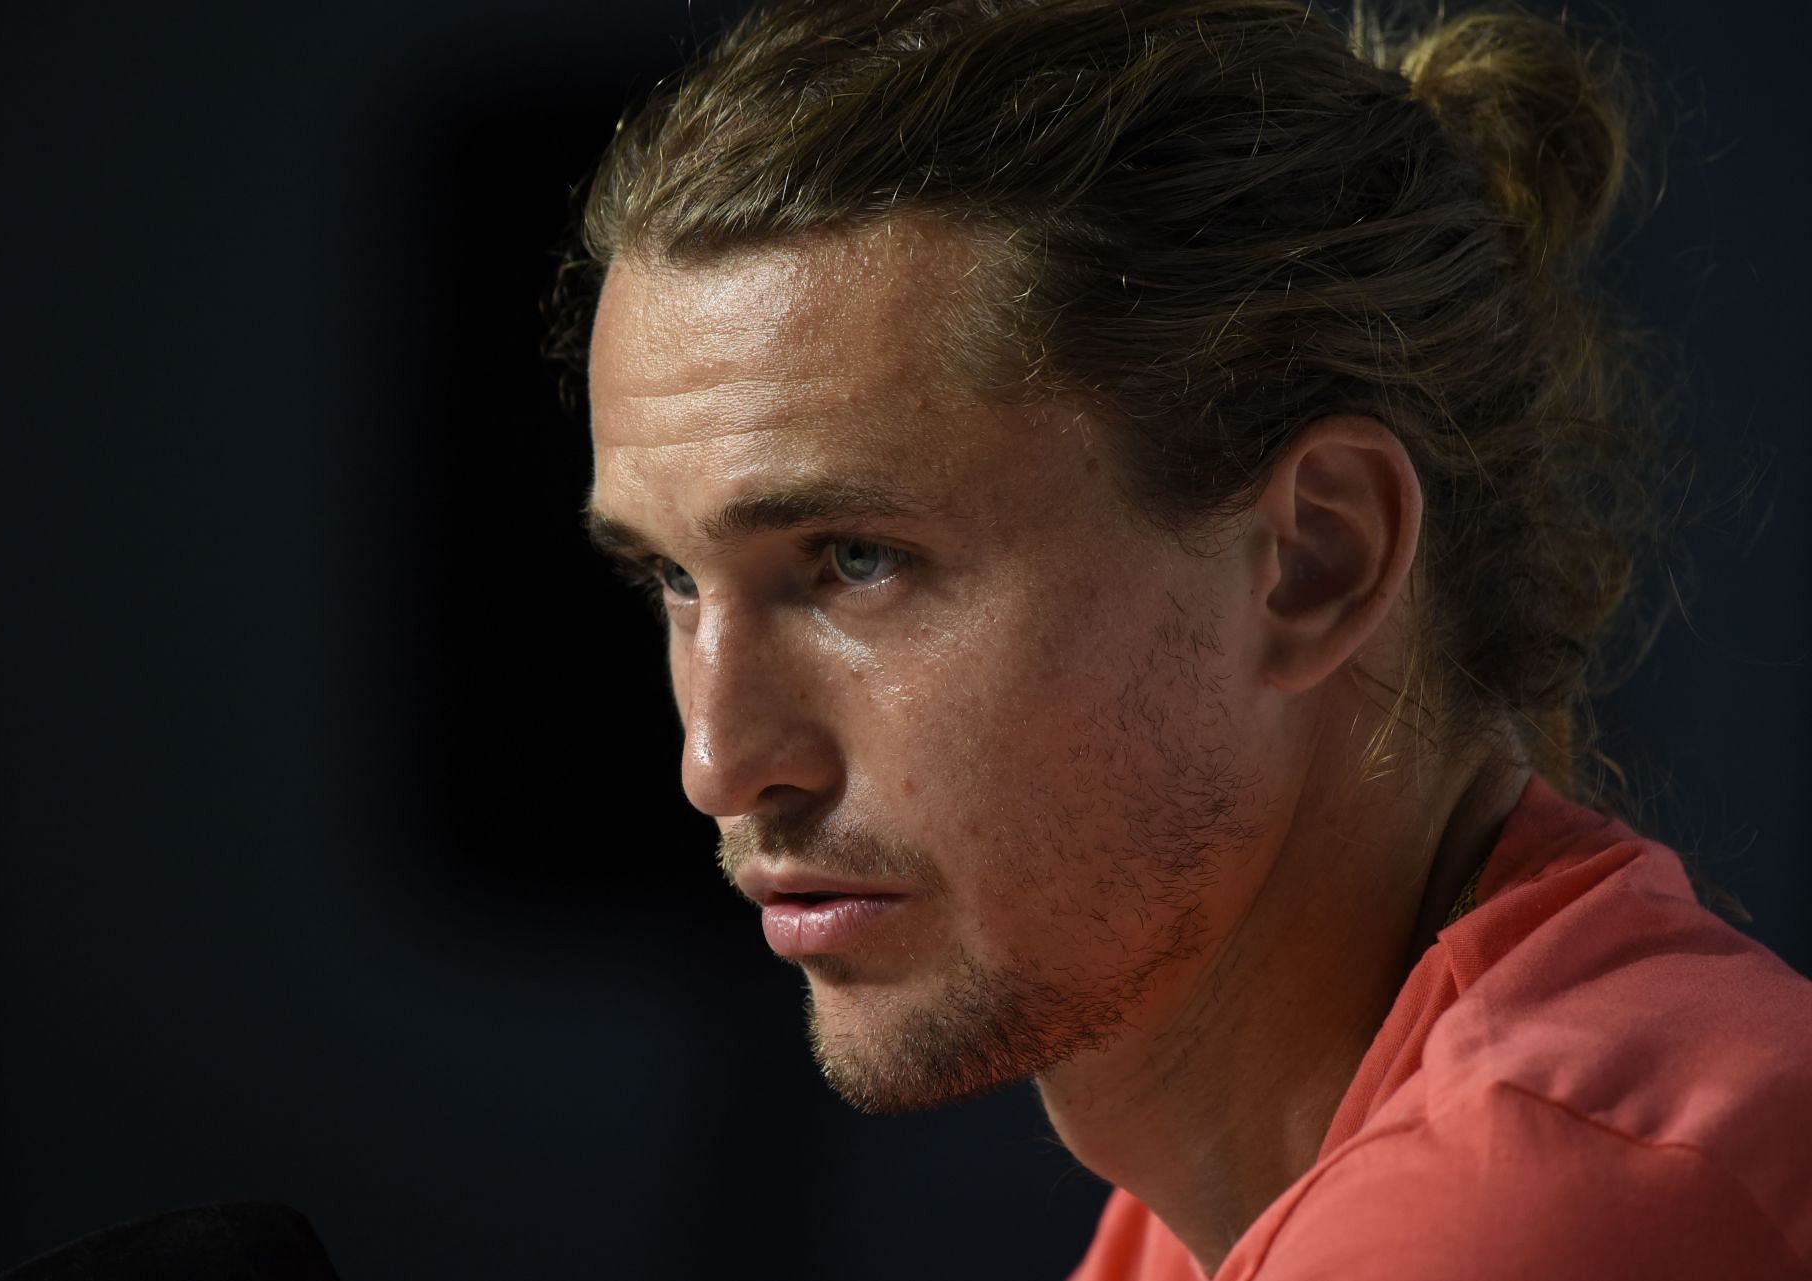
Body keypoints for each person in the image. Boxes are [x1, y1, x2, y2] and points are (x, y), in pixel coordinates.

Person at [551, 1, 1812, 1275]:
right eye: (671, 576)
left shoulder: (1535, 1209)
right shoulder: (1226, 1209)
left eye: (856, 561)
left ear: (1317, 562)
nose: (718, 764)